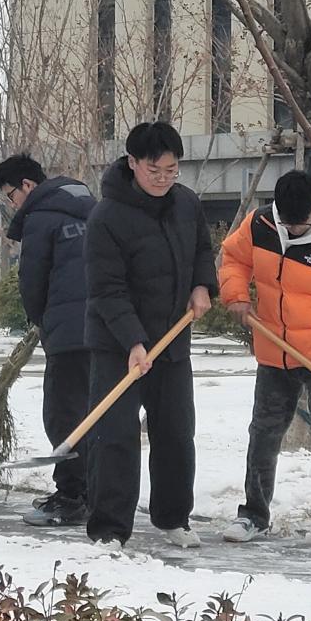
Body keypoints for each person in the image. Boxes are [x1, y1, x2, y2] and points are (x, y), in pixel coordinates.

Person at [218, 169, 311, 559]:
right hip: (273, 350)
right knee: (263, 433)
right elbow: (233, 258)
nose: (292, 230)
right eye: (286, 223)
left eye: (298, 225)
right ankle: (254, 515)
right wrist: (236, 295)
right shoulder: (261, 224)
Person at [84, 121, 217, 550]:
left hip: (172, 340)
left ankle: (174, 517)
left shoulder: (186, 203)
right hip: (117, 344)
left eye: (171, 170)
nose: (163, 179)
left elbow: (202, 249)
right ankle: (109, 528)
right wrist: (133, 341)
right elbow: (107, 288)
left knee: (176, 432)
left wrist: (202, 285)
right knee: (116, 435)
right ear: (132, 163)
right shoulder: (106, 217)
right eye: (153, 170)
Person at [0, 153, 97, 527]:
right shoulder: (91, 207)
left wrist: (39, 320)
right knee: (95, 413)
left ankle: (71, 496)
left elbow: (32, 279)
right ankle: (96, 492)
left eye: (10, 195)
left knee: (63, 415)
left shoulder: (40, 216)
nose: (12, 205)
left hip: (67, 333)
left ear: (28, 186)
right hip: (104, 329)